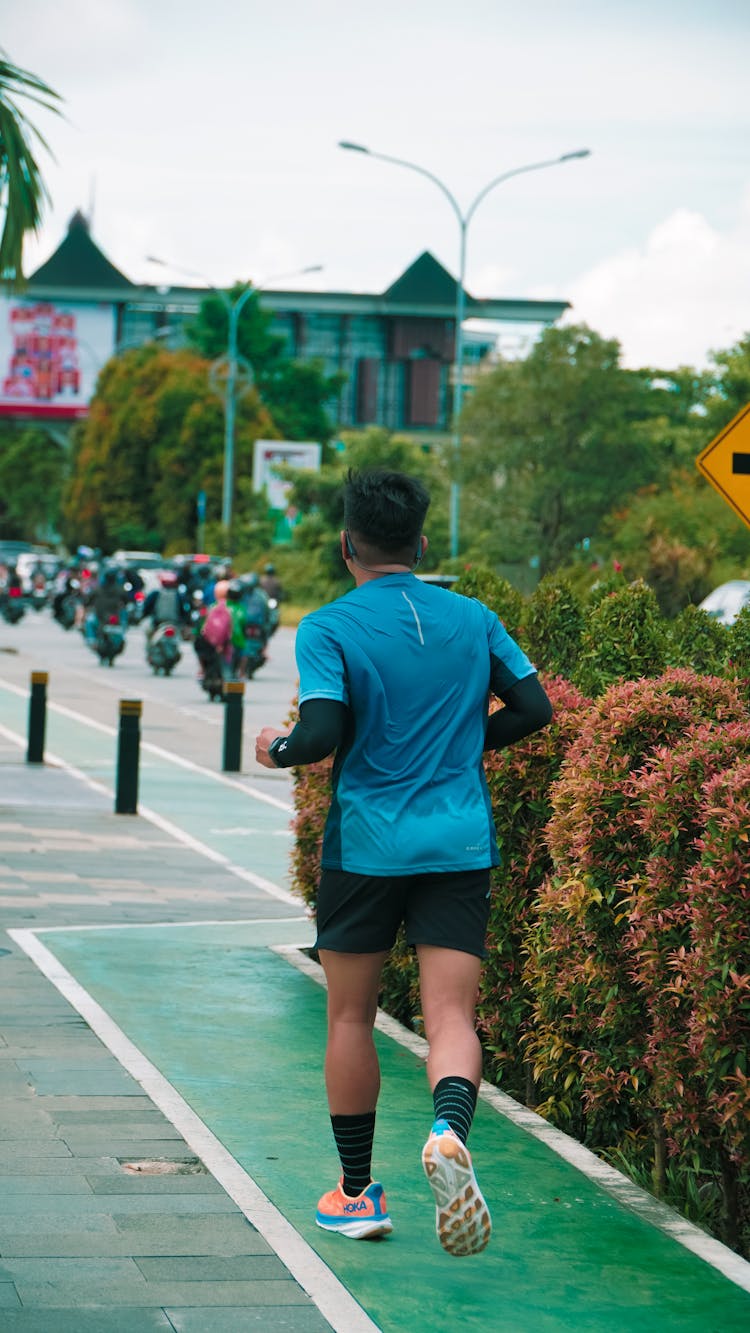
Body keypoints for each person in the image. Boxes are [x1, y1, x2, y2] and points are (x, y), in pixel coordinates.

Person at [255, 468, 553, 1256]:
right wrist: (463, 747)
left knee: (351, 1015)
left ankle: (356, 1194)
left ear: (346, 543)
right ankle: (449, 1131)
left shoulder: (329, 627)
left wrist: (276, 749)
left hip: (366, 848)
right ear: (421, 541)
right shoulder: (473, 615)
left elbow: (318, 732)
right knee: (451, 1014)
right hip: (457, 843)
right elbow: (534, 708)